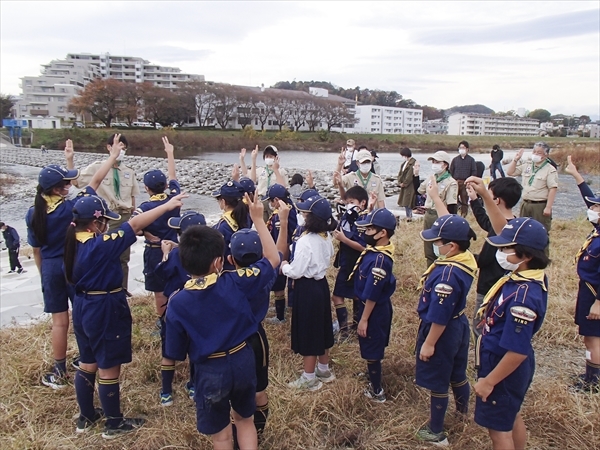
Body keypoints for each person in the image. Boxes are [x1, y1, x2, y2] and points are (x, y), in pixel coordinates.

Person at [64, 191, 186, 438]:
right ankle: (114, 423)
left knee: (88, 362)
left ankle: (86, 417)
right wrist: (166, 206)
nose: (106, 225)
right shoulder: (99, 245)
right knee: (109, 367)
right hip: (104, 307)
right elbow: (134, 225)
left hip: (82, 305)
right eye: (104, 221)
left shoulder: (72, 241)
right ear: (96, 223)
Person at [165, 193, 281, 450]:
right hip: (242, 360)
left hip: (210, 370)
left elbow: (174, 351)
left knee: (221, 436)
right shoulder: (235, 281)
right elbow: (273, 259)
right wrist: (258, 220)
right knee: (245, 420)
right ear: (219, 262)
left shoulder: (177, 301)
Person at [26, 138, 120, 389]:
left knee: (59, 321)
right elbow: (95, 181)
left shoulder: (33, 212)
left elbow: (36, 249)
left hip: (49, 267)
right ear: (58, 189)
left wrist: (42, 273)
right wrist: (112, 157)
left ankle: (59, 368)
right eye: (65, 183)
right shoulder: (71, 209)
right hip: (72, 266)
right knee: (80, 315)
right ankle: (86, 358)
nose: (69, 186)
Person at [473, 217, 550, 450]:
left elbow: (517, 350)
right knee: (511, 415)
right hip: (501, 363)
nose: (501, 252)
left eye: (507, 248)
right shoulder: (524, 278)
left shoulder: (523, 298)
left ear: (526, 255)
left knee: (499, 431)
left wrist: (489, 381)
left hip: (503, 368)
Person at [415, 214, 478, 446]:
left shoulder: (447, 274)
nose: (435, 245)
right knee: (457, 372)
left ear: (451, 246)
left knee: (439, 378)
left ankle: (436, 431)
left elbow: (440, 314)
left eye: (437, 242)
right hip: (458, 324)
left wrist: (429, 342)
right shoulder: (464, 259)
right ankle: (462, 414)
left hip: (443, 329)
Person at [282, 195, 337, 391]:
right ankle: (324, 368)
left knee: (309, 331)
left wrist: (284, 266)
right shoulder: (326, 236)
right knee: (322, 327)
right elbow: (329, 255)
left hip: (306, 288)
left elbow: (297, 271)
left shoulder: (306, 241)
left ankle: (309, 377)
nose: (302, 215)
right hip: (321, 285)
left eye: (305, 213)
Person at [74, 134, 140, 290]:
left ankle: (122, 289)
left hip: (124, 216)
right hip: (105, 218)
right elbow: (76, 182)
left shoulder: (128, 171)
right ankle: (102, 287)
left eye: (124, 148)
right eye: (118, 146)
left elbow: (132, 196)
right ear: (109, 147)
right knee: (104, 254)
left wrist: (132, 215)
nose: (121, 150)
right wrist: (70, 159)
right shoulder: (98, 168)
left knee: (124, 257)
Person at [154, 211, 207, 405]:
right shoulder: (209, 255)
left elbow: (162, 272)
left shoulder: (176, 254)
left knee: (169, 352)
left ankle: (166, 392)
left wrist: (166, 253)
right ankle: (193, 386)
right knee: (196, 348)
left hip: (176, 309)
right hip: (200, 309)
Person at [351, 208, 397, 402]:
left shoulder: (380, 260)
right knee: (369, 344)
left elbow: (372, 293)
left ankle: (377, 390)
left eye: (370, 230)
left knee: (373, 347)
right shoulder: (375, 252)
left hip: (374, 310)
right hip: (369, 307)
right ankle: (372, 374)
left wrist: (363, 319)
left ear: (382, 233)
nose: (365, 233)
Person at [466, 177, 522, 336]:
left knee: (481, 328)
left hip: (490, 287)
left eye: (488, 196)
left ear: (496, 200)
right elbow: (485, 222)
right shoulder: (513, 224)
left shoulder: (502, 232)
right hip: (505, 287)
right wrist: (474, 200)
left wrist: (463, 254)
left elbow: (484, 260)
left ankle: (482, 358)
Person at [133, 136, 180, 319]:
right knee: (176, 283)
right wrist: (170, 154)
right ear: (166, 186)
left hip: (154, 251)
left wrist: (145, 232)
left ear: (146, 188)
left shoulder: (145, 209)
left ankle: (163, 321)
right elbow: (174, 176)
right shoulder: (174, 199)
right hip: (174, 247)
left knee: (159, 290)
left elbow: (134, 228)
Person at [564, 156, 600, 393]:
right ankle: (591, 372)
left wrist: (598, 302)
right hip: (587, 288)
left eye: (597, 208)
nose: (592, 210)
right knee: (590, 337)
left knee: (593, 337)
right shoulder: (598, 229)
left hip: (594, 292)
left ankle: (593, 381)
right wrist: (576, 175)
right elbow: (588, 197)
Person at [331, 186, 368, 341]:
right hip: (347, 261)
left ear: (362, 203)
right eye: (347, 202)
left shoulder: (363, 221)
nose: (349, 205)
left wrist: (344, 239)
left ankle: (346, 328)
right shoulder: (351, 216)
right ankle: (350, 325)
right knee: (354, 295)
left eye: (352, 202)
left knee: (338, 296)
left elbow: (363, 247)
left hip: (356, 263)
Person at [506, 142, 558, 238]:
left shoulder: (550, 169)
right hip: (525, 203)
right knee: (522, 231)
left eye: (539, 153)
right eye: (534, 151)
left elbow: (553, 189)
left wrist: (548, 207)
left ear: (546, 155)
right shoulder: (528, 165)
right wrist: (515, 160)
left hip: (539, 205)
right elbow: (510, 172)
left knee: (540, 233)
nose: (536, 154)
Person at [263, 184, 298, 324]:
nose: (271, 204)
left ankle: (280, 316)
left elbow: (282, 236)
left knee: (278, 285)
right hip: (290, 251)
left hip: (283, 252)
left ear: (277, 200)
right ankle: (284, 308)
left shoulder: (281, 215)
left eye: (271, 201)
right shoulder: (290, 209)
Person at [417, 151, 458, 267]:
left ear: (445, 165)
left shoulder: (451, 182)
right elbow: (419, 190)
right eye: (433, 162)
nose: (434, 164)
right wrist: (415, 175)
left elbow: (452, 206)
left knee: (441, 247)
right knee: (428, 248)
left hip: (440, 216)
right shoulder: (431, 178)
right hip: (428, 214)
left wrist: (450, 225)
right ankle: (429, 272)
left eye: (437, 162)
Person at [212, 180, 251, 270]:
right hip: (247, 267)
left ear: (223, 202)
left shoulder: (221, 226)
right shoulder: (246, 216)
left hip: (228, 270)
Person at [247, 145, 288, 222]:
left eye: (271, 156)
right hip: (261, 199)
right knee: (261, 223)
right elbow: (252, 180)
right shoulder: (261, 170)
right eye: (267, 156)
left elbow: (284, 188)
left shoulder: (282, 171)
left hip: (274, 202)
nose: (268, 158)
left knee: (273, 223)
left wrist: (276, 170)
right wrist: (253, 160)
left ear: (276, 157)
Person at [449, 140, 478, 217]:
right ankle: (453, 215)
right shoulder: (455, 160)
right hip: (456, 182)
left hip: (466, 182)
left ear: (467, 149)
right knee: (453, 200)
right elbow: (451, 171)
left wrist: (470, 182)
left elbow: (474, 171)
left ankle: (463, 216)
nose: (461, 149)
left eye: (463, 147)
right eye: (460, 147)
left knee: (464, 201)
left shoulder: (471, 160)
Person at [397, 147, 417, 221]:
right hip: (403, 185)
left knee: (408, 201)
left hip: (410, 185)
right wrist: (399, 182)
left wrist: (404, 183)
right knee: (405, 201)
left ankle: (409, 216)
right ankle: (408, 215)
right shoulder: (404, 163)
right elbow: (400, 173)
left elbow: (410, 175)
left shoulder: (413, 163)